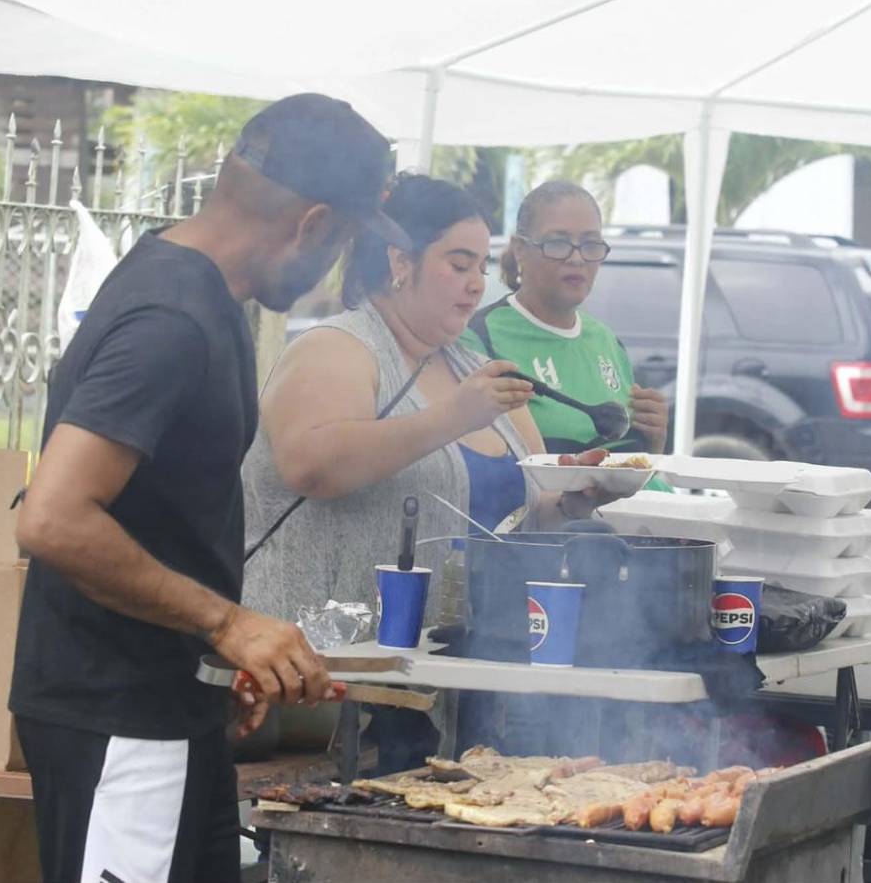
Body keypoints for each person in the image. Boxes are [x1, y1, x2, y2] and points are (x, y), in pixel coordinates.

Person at [9, 94, 407, 883]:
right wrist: (226, 624)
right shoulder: (172, 317)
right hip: (117, 716)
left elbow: (155, 511)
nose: (333, 266)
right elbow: (51, 517)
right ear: (314, 223)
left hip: (165, 702)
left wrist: (211, 653)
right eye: (345, 244)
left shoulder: (196, 289)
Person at [243, 173, 610, 625]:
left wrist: (573, 501)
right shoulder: (335, 349)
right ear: (400, 262)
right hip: (316, 664)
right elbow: (311, 467)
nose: (477, 284)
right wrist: (453, 417)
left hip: (446, 662)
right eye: (459, 265)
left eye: (482, 267)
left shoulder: (473, 366)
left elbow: (524, 511)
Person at [462, 180, 673, 489]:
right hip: (559, 527)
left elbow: (631, 460)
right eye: (558, 243)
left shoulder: (606, 340)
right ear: (520, 249)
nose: (576, 258)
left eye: (590, 244)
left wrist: (653, 441)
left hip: (643, 518)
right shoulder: (481, 339)